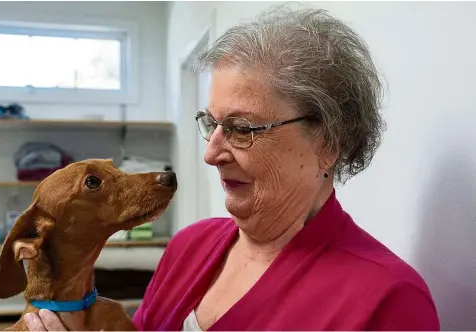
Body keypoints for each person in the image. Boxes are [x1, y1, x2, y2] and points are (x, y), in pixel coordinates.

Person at [24, 5, 440, 331]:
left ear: (327, 141)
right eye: (212, 123)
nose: (211, 153)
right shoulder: (190, 246)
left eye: (242, 128)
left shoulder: (387, 300)